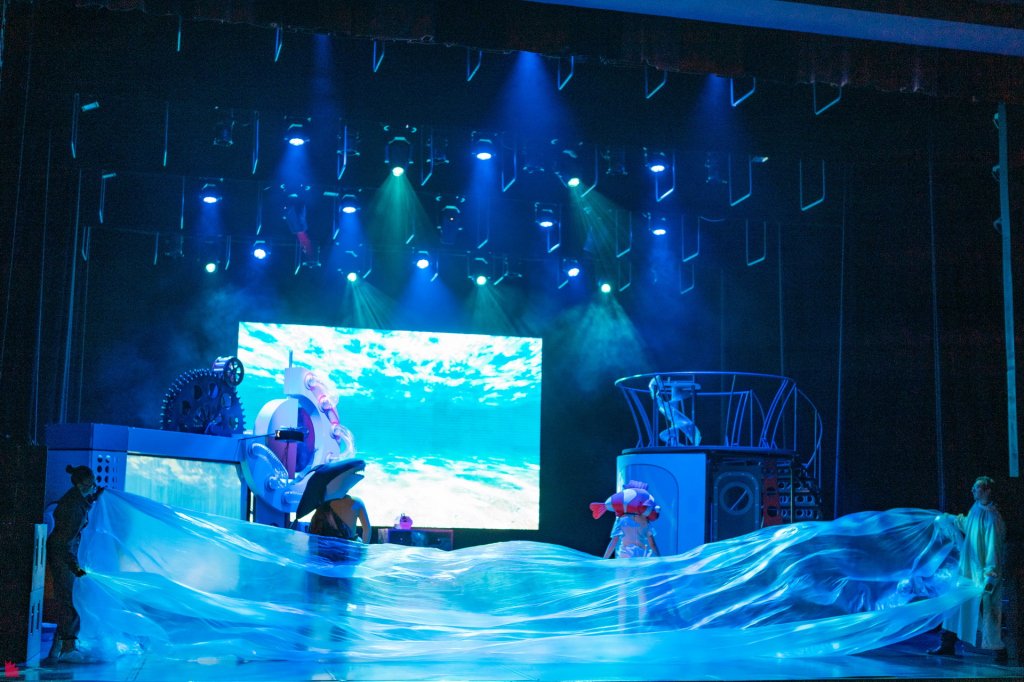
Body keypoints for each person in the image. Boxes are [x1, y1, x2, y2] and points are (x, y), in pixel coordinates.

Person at [928, 476, 1007, 663]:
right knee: (954, 603)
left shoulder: (992, 518)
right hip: (967, 570)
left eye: (977, 488)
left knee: (987, 610)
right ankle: (947, 643)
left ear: (987, 490)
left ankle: (999, 649)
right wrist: (951, 519)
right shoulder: (976, 509)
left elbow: (993, 548)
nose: (972, 490)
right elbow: (968, 524)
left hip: (981, 573)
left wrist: (990, 574)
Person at [45, 464, 103, 663]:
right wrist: (74, 568)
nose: (93, 486)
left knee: (68, 600)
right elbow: (65, 542)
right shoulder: (73, 508)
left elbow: (82, 506)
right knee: (70, 601)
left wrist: (93, 498)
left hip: (63, 557)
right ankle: (68, 647)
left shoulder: (75, 499)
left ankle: (60, 646)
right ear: (80, 484)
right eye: (90, 484)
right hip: (63, 559)